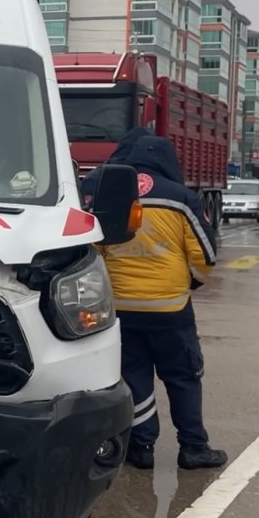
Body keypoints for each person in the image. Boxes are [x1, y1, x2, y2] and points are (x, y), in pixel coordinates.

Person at [94, 134, 227, 470]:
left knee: (133, 375)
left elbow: (94, 251)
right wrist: (189, 282)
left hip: (122, 308)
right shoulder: (182, 198)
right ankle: (193, 447)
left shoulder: (111, 194)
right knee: (183, 377)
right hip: (171, 309)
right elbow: (205, 256)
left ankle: (141, 448)